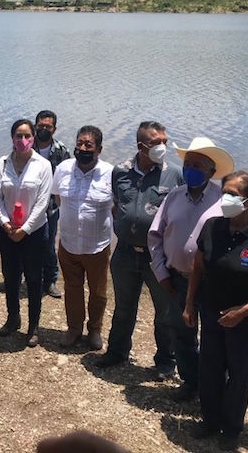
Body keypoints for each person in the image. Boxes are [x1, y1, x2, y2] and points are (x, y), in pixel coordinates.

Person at [183, 171, 248, 451]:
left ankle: (232, 429)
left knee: (239, 375)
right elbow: (198, 269)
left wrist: (243, 311)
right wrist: (190, 304)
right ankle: (209, 420)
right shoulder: (213, 227)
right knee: (209, 368)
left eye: (234, 195)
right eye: (224, 192)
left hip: (245, 321)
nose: (226, 199)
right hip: (211, 311)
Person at [148, 136, 234, 401]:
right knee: (180, 332)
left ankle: (214, 386)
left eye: (198, 165)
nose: (191, 169)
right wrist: (161, 272)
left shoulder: (223, 201)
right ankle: (190, 382)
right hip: (176, 279)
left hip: (210, 282)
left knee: (212, 335)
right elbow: (155, 235)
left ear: (211, 170)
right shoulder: (173, 197)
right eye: (188, 163)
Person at [96, 121, 183, 374]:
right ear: (141, 146)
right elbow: (117, 203)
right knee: (123, 307)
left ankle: (166, 361)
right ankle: (117, 352)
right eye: (157, 143)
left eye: (165, 142)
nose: (163, 147)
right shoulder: (120, 171)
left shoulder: (174, 174)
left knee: (164, 312)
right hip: (124, 252)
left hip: (158, 256)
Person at [0, 119, 53, 347]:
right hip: (7, 231)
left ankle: (33, 325)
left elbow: (43, 201)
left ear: (33, 138)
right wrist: (6, 223)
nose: (23, 140)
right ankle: (12, 318)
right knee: (10, 276)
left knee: (34, 279)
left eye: (27, 136)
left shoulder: (43, 165)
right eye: (18, 135)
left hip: (34, 232)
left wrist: (25, 230)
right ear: (12, 138)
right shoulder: (2, 163)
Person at [52, 125, 113, 350]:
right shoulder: (63, 168)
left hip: (97, 246)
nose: (82, 148)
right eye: (79, 143)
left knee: (98, 291)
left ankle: (95, 330)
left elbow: (115, 208)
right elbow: (58, 198)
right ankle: (74, 329)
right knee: (72, 287)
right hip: (68, 244)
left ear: (99, 149)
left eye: (88, 145)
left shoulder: (110, 173)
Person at [34, 110, 71, 298]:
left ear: (54, 129)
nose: (43, 129)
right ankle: (24, 278)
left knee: (48, 243)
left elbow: (69, 179)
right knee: (24, 243)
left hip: (50, 207)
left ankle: (50, 281)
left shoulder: (62, 150)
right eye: (40, 126)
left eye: (47, 127)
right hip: (28, 205)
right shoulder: (25, 146)